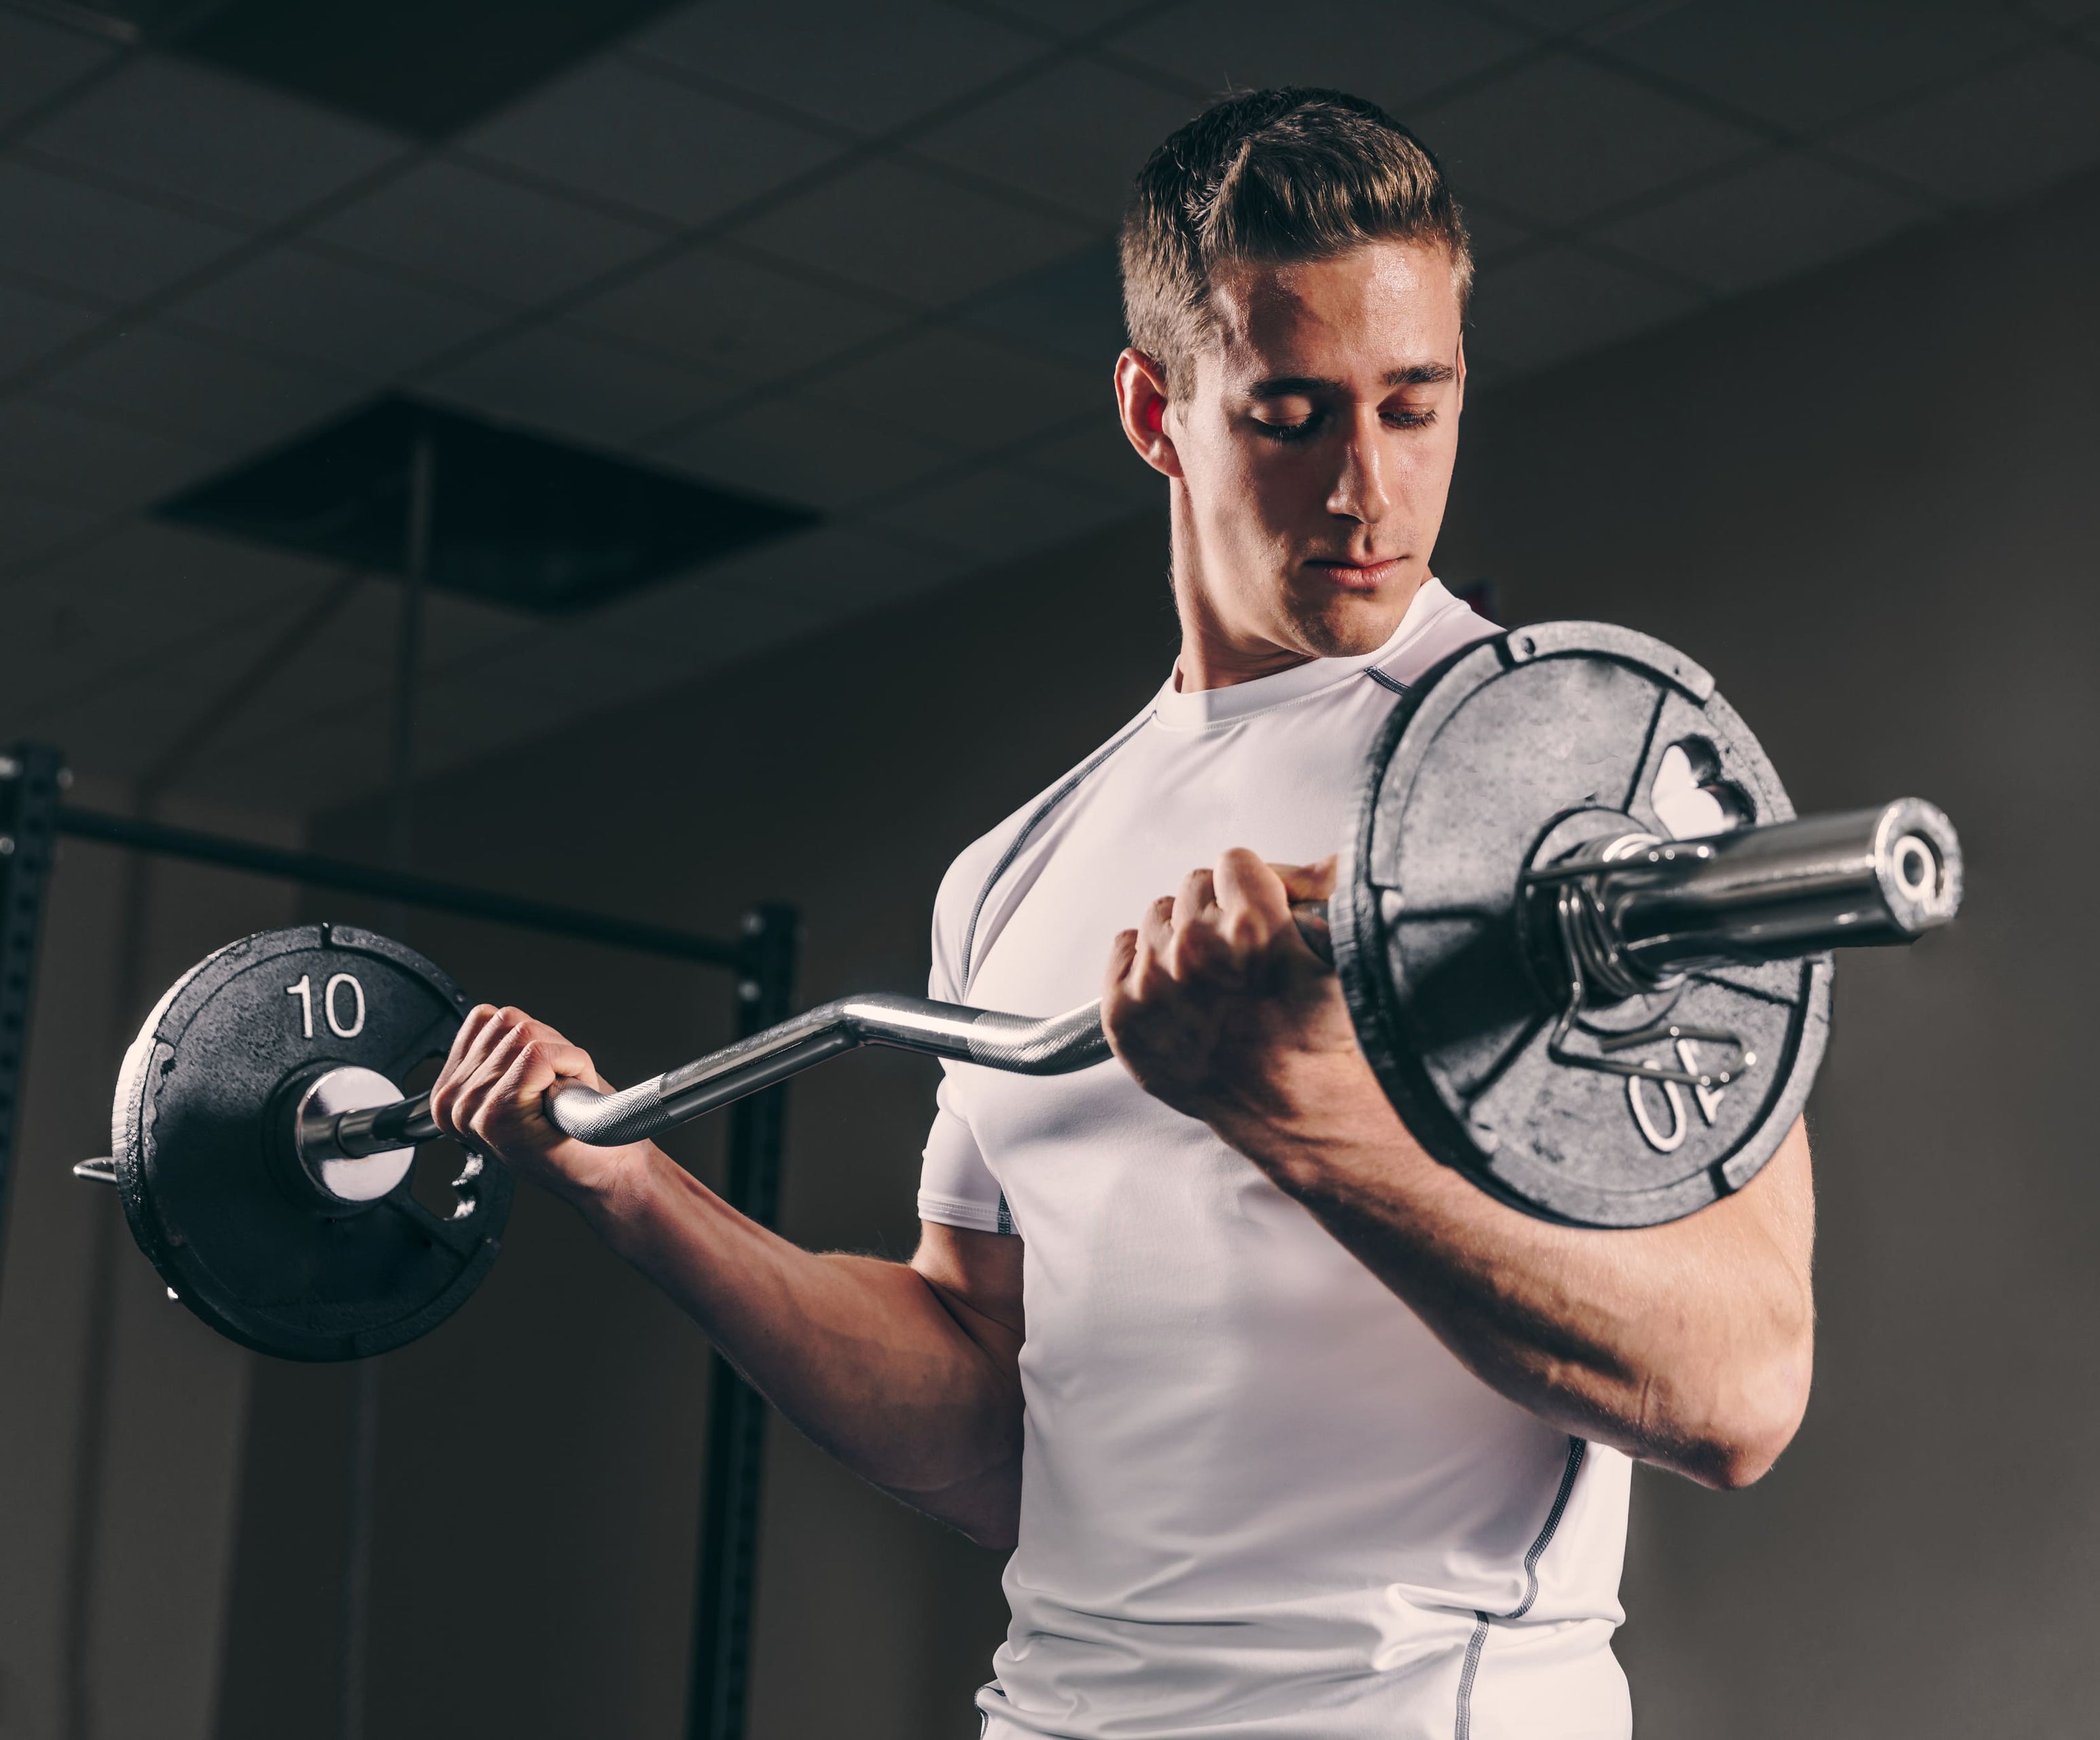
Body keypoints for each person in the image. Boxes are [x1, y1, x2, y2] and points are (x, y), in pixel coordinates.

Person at [426, 88, 1815, 1739]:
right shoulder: (1017, 870)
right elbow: (989, 1420)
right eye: (1291, 415)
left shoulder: (1580, 778)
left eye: (1414, 405)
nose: (1366, 490)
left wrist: (1298, 1122)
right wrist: (638, 1193)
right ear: (1157, 410)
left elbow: (1735, 1390)